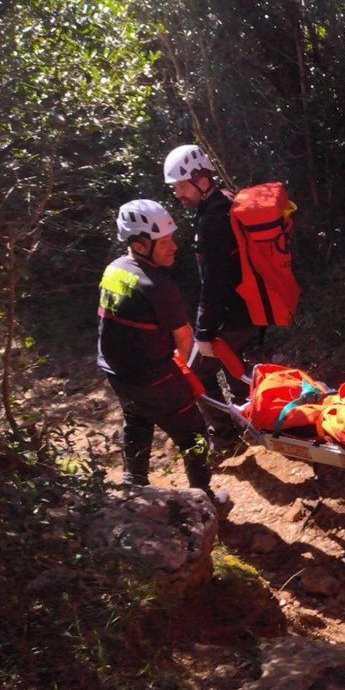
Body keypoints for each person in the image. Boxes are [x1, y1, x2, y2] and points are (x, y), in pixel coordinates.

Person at [97, 200, 226, 507]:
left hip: (117, 373)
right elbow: (185, 343)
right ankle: (204, 501)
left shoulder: (114, 269)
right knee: (193, 433)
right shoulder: (158, 286)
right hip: (154, 378)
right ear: (140, 245)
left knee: (137, 420)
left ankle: (133, 489)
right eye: (165, 242)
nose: (174, 248)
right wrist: (205, 378)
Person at [163, 143, 256, 452]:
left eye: (181, 185)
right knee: (234, 364)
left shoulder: (212, 220)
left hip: (233, 313)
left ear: (202, 179)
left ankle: (225, 437)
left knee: (198, 372)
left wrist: (203, 331)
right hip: (247, 308)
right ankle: (252, 419)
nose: (177, 193)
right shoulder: (226, 201)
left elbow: (214, 284)